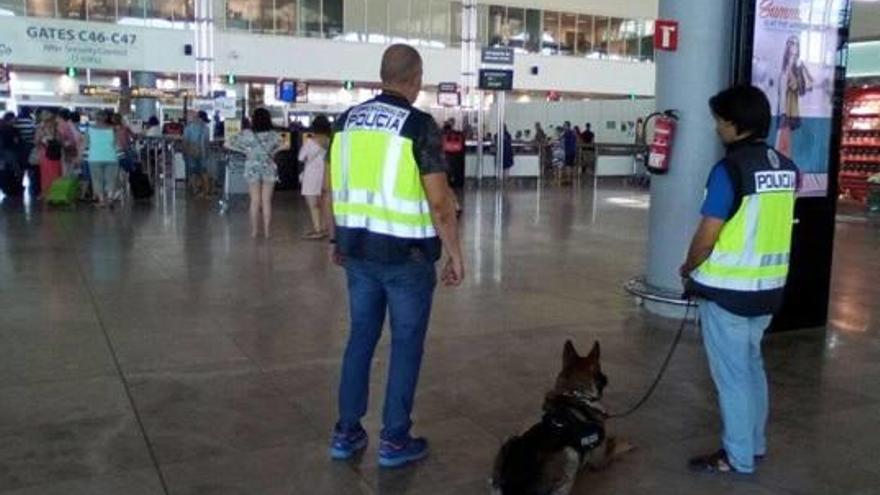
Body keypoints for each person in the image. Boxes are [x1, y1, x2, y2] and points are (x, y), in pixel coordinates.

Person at [326, 44, 464, 468]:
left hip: (358, 253)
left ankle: (347, 434)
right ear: (416, 78)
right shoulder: (418, 126)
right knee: (405, 346)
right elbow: (440, 202)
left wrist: (336, 239)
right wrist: (456, 254)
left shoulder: (346, 122)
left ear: (382, 74)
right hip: (407, 258)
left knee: (360, 339)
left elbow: (335, 185)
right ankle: (395, 440)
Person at [680, 86, 798, 474]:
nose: (717, 129)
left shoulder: (729, 170)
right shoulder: (785, 167)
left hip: (729, 292)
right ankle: (755, 443)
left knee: (732, 378)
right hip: (768, 291)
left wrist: (689, 266)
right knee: (752, 367)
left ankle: (738, 456)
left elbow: (708, 233)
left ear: (734, 124)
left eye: (719, 121)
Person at [225, 107, 285, 239]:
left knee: (254, 200)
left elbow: (227, 143)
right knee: (266, 201)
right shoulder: (273, 134)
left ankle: (254, 231)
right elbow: (285, 145)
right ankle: (268, 232)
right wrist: (273, 152)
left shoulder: (247, 134)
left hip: (252, 166)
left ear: (254, 119)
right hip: (268, 166)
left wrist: (244, 151)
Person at [776, 35, 813, 158]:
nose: (793, 46)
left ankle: (786, 165)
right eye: (791, 43)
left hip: (790, 108)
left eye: (796, 44)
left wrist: (793, 79)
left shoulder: (798, 66)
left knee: (785, 140)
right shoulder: (784, 65)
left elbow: (799, 86)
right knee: (781, 140)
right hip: (782, 106)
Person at [298, 114, 332, 239]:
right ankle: (326, 229)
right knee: (325, 204)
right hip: (326, 175)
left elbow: (301, 157)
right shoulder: (330, 141)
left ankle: (318, 230)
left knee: (314, 206)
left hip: (311, 176)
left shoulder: (310, 142)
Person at [86, 110, 120, 207]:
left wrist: (79, 156)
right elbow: (116, 144)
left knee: (97, 179)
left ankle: (101, 200)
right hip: (111, 157)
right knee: (111, 179)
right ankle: (110, 198)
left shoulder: (89, 129)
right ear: (106, 118)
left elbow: (85, 144)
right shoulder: (113, 129)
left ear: (96, 118)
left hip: (94, 158)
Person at [34, 110, 63, 198]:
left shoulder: (41, 128)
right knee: (55, 173)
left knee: (47, 174)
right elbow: (61, 141)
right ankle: (55, 193)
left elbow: (36, 141)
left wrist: (43, 140)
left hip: (46, 153)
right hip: (54, 154)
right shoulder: (56, 128)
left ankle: (47, 193)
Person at [183, 110, 211, 197]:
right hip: (203, 153)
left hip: (191, 152)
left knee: (192, 172)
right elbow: (206, 142)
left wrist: (184, 153)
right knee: (204, 172)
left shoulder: (188, 128)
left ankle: (195, 190)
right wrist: (206, 153)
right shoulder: (206, 128)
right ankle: (206, 190)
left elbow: (185, 142)